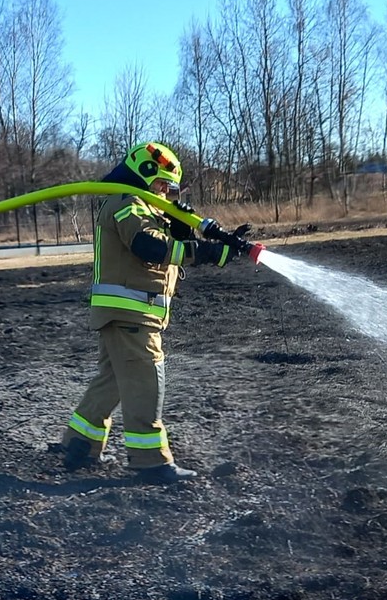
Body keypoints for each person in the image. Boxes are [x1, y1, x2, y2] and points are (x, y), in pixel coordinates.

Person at [60, 140, 253, 483]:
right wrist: (206, 252)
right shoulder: (127, 202)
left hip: (127, 314)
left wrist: (182, 227)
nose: (167, 192)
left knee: (114, 382)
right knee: (146, 384)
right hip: (131, 313)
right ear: (144, 174)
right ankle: (150, 462)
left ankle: (79, 443)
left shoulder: (142, 206)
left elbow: (161, 237)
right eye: (163, 184)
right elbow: (148, 246)